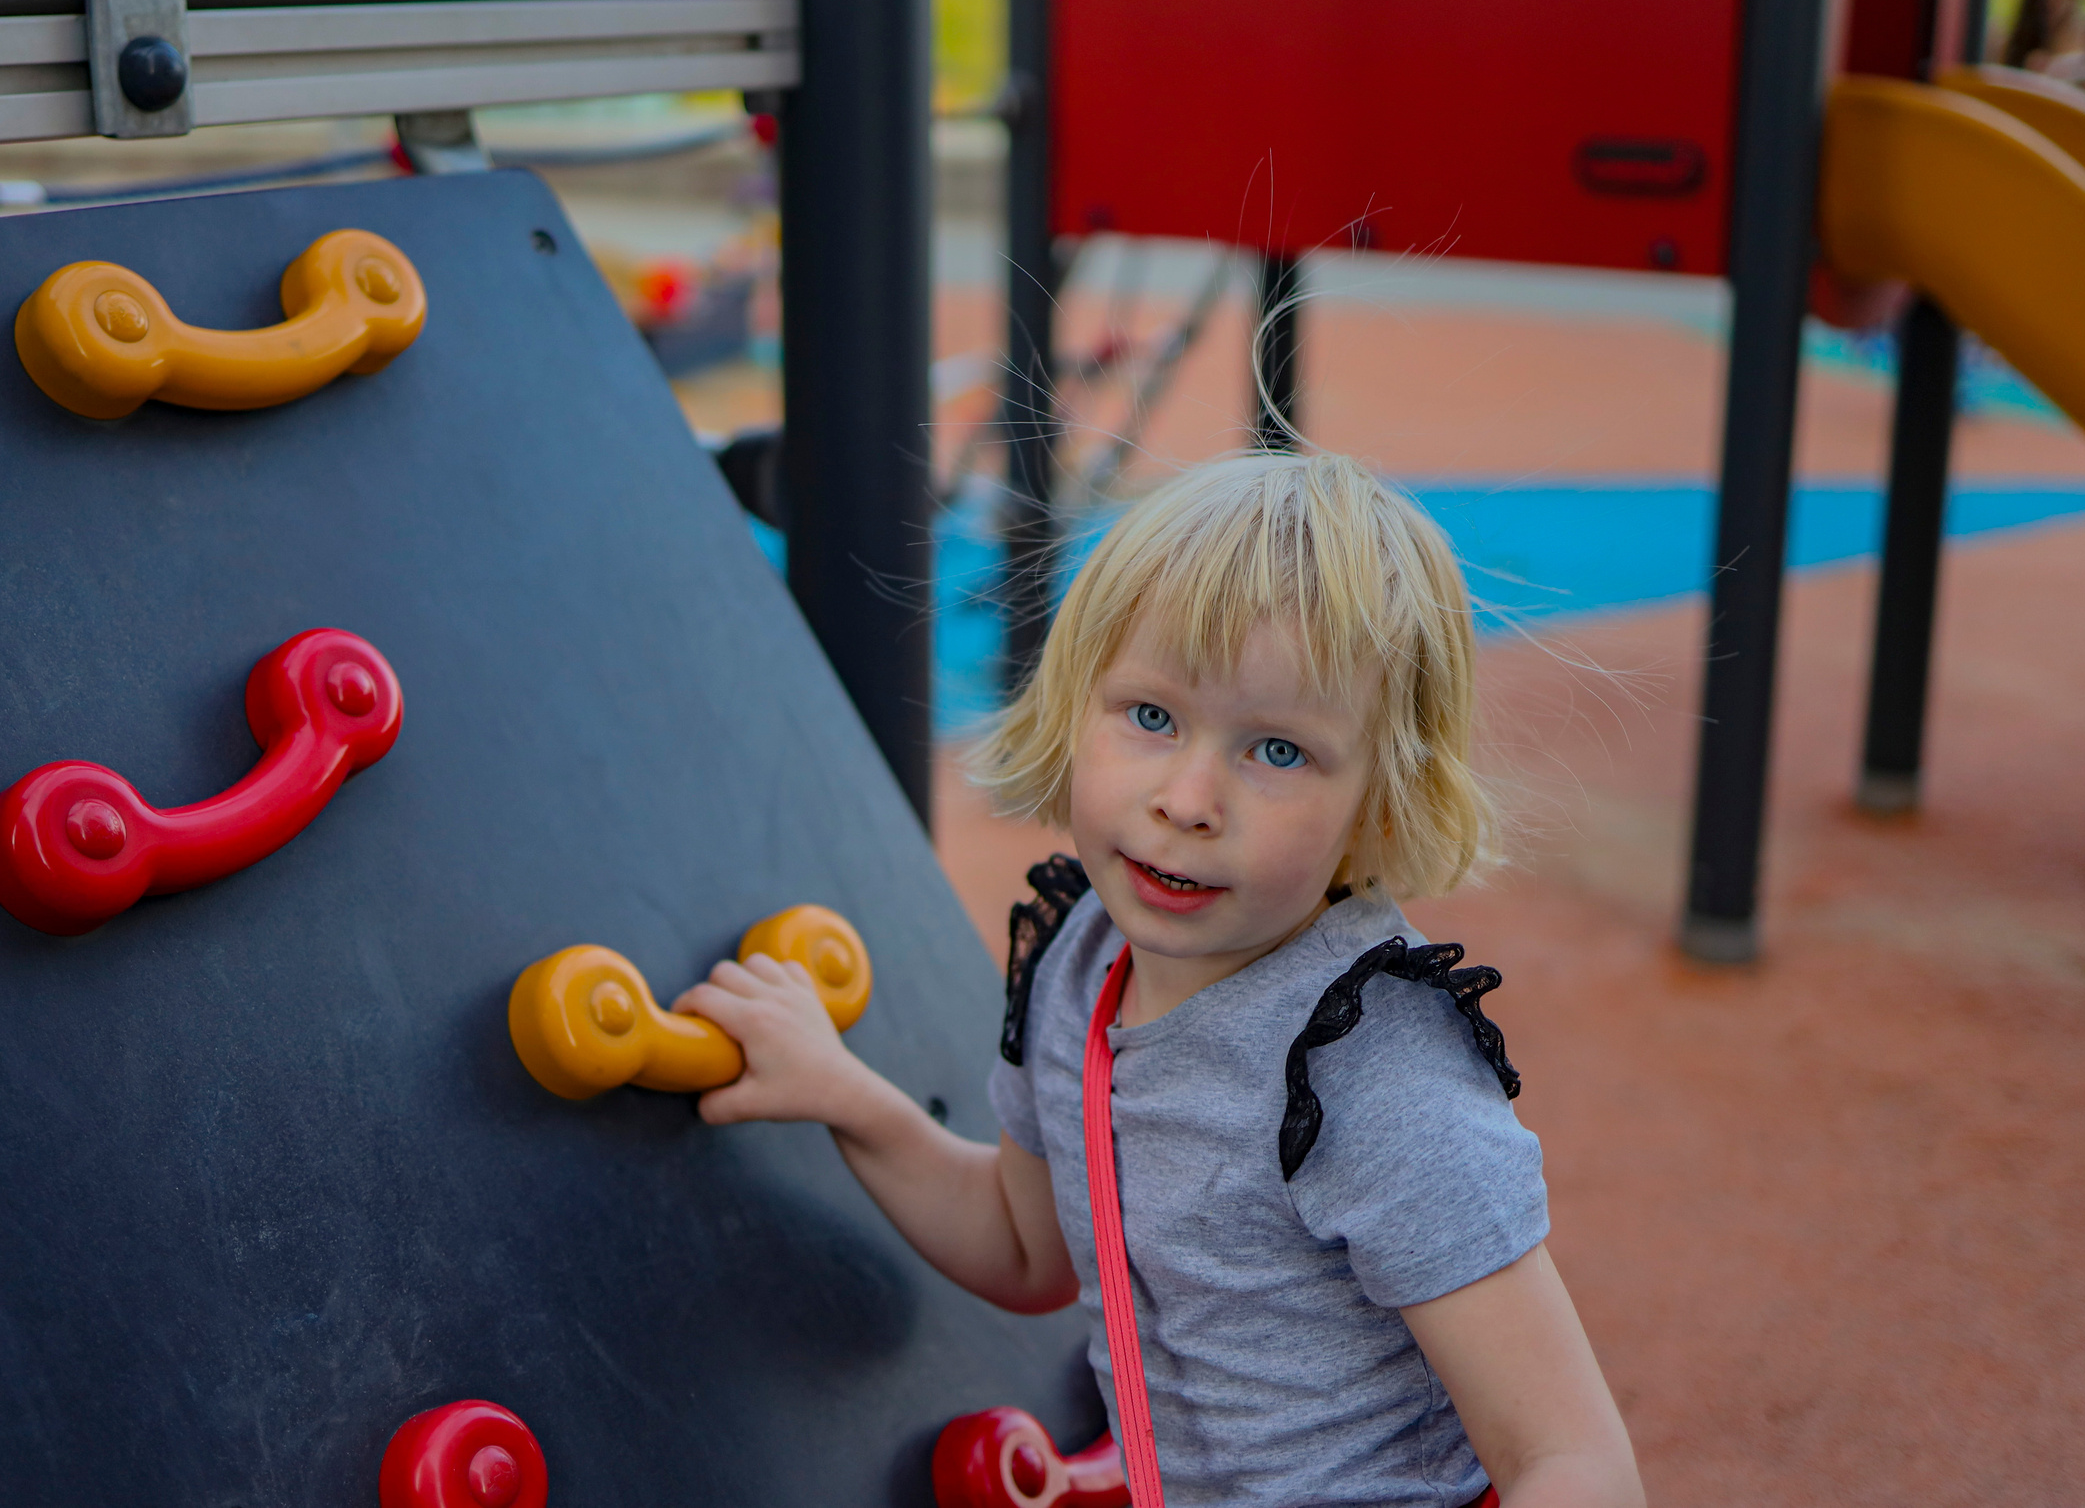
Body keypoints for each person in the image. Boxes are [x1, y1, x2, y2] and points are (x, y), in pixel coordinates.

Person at [674, 451, 1643, 1508]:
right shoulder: (1080, 964)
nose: (1187, 798)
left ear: (1379, 803)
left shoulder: (1367, 1073)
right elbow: (1022, 1243)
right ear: (1071, 702)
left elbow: (1571, 1460)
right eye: (1150, 716)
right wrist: (837, 1090)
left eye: (1276, 750)